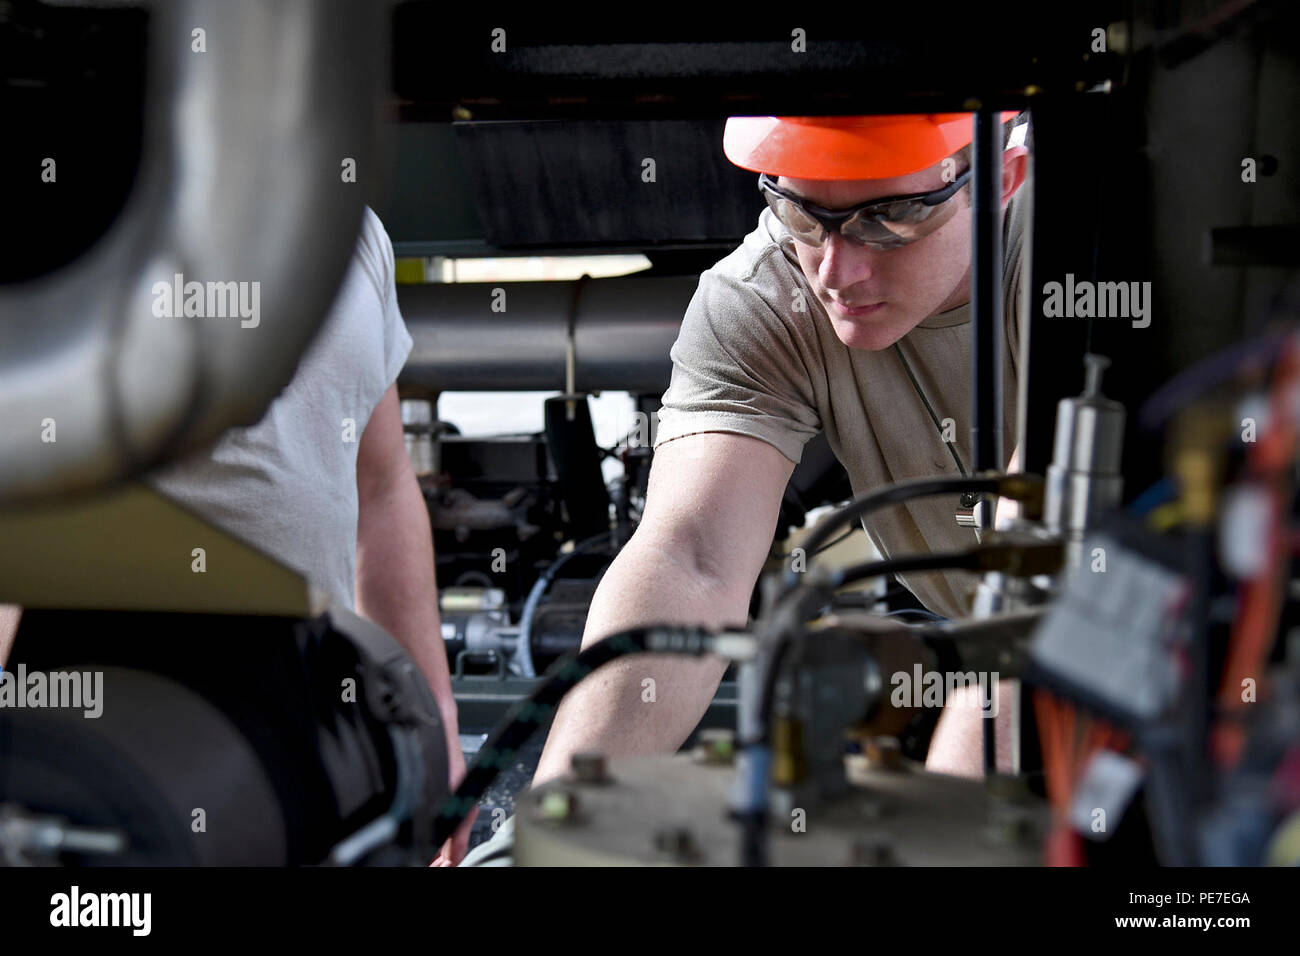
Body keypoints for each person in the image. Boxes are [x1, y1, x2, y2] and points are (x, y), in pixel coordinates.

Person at [531, 113, 1030, 788]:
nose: (836, 271)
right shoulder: (766, 297)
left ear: (1002, 181)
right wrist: (561, 816)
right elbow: (692, 561)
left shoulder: (1078, 256)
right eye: (801, 213)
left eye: (889, 219)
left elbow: (1046, 577)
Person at [142, 207, 474, 864]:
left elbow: (380, 487)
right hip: (120, 760)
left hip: (302, 753)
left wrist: (433, 719)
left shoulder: (352, 231)